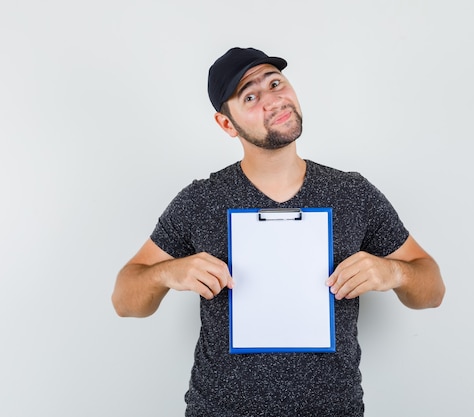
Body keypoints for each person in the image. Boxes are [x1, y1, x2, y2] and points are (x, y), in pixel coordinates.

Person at [111, 47, 445, 416]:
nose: (273, 100)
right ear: (227, 124)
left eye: (276, 83)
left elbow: (431, 292)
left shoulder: (352, 193)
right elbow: (125, 301)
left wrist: (393, 271)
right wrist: (167, 272)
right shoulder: (200, 200)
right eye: (250, 96)